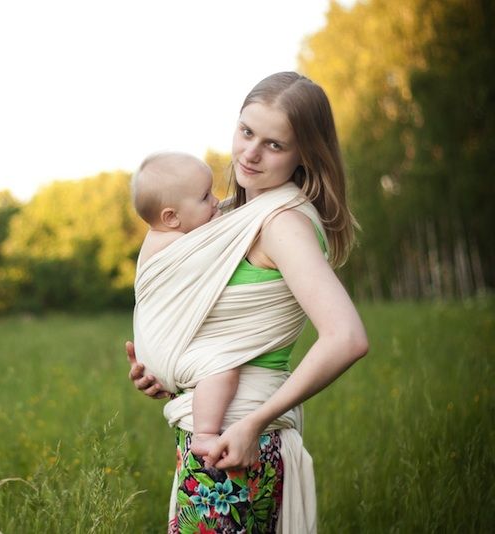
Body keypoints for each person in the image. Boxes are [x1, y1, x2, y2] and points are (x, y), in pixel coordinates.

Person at [126, 71, 369, 534]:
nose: (250, 153)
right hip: (214, 437)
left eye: (275, 144)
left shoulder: (281, 224)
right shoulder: (231, 220)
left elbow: (347, 338)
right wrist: (168, 370)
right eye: (246, 131)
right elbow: (217, 332)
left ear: (305, 154)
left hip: (236, 441)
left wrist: (255, 422)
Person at [131, 151, 238, 460]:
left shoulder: (163, 236)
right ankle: (205, 433)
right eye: (206, 197)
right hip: (165, 352)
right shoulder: (178, 244)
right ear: (171, 217)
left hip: (152, 352)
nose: (217, 201)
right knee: (222, 368)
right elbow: (227, 237)